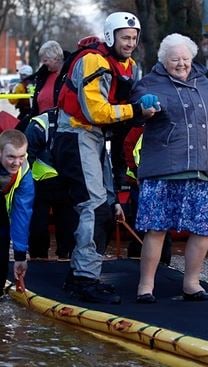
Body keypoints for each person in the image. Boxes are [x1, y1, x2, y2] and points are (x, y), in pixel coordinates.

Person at [52, 12, 159, 304]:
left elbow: (125, 98)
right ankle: (85, 279)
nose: (130, 43)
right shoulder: (93, 60)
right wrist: (136, 111)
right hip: (75, 135)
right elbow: (94, 111)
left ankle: (80, 274)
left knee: (106, 205)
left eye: (134, 38)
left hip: (94, 137)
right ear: (111, 36)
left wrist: (144, 101)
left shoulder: (128, 65)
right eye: (125, 38)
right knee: (95, 206)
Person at [131, 33, 208, 304]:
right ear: (164, 61)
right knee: (156, 228)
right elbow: (137, 111)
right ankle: (145, 286)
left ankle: (191, 283)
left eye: (186, 58)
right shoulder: (149, 84)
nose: (182, 63)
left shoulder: (206, 85)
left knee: (202, 228)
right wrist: (144, 108)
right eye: (175, 59)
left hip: (201, 170)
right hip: (162, 170)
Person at [23, 40, 74, 259]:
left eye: (46, 59)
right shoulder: (43, 75)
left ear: (56, 58)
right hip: (41, 127)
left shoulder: (68, 73)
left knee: (65, 208)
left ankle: (65, 253)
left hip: (61, 128)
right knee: (39, 209)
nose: (44, 63)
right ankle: (39, 255)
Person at [24, 108, 78, 259]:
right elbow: (26, 158)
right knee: (38, 227)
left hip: (67, 184)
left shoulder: (82, 121)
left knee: (69, 228)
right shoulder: (40, 124)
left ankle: (66, 257)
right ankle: (38, 258)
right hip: (39, 184)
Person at [123, 126, 172, 265]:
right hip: (141, 182)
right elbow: (129, 148)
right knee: (143, 226)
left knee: (160, 229)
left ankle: (162, 261)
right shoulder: (140, 129)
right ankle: (138, 258)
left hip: (155, 182)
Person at [0, 129, 34, 298]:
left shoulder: (24, 170)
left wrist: (20, 255)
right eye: (11, 157)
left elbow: (22, 213)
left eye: (21, 156)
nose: (16, 162)